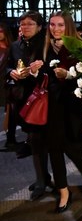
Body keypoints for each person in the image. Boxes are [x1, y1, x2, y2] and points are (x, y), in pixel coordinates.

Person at [42, 11, 82, 212]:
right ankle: (63, 191)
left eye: (61, 25)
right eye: (52, 24)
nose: (56, 29)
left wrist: (69, 74)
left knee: (70, 145)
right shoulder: (45, 47)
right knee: (54, 148)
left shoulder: (80, 46)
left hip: (72, 106)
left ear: (69, 27)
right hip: (50, 106)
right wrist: (34, 70)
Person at [7, 11, 52, 199]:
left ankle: (43, 181)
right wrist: (11, 73)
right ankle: (43, 177)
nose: (25, 27)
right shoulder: (15, 45)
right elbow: (8, 66)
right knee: (34, 140)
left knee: (39, 140)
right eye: (22, 24)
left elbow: (51, 69)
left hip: (42, 99)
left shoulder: (45, 45)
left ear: (40, 27)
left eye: (30, 24)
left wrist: (35, 72)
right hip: (22, 99)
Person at [1, 22, 17, 149]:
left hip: (8, 84)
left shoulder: (12, 47)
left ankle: (10, 139)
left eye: (1, 31)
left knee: (10, 112)